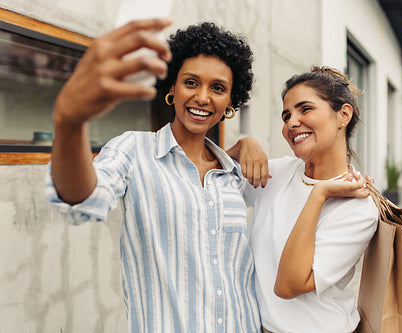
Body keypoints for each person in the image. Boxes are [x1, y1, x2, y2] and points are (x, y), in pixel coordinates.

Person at [46, 20, 264, 332]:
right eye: (191, 82)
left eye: (218, 88)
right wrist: (70, 123)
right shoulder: (134, 150)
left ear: (230, 102)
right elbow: (83, 198)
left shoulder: (233, 173)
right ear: (171, 88)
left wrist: (247, 143)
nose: (203, 97)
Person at [244, 66, 378, 333]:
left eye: (305, 109)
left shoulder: (359, 209)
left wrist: (319, 194)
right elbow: (205, 182)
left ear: (343, 115)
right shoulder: (279, 172)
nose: (291, 122)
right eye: (286, 115)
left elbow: (288, 285)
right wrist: (241, 146)